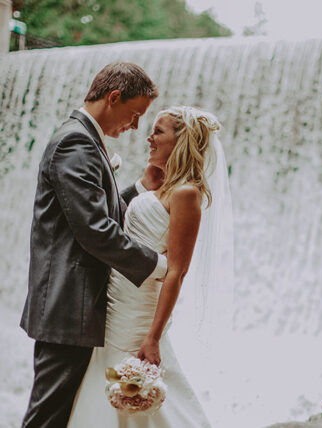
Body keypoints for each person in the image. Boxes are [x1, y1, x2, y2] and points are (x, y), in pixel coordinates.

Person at [20, 62, 168, 428]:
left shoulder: (83, 138)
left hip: (74, 304)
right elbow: (95, 230)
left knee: (61, 412)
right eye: (135, 114)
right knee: (48, 416)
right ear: (113, 97)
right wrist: (160, 267)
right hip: (68, 304)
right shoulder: (76, 142)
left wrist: (140, 188)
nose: (136, 126)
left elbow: (95, 211)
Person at [67, 106, 234, 428]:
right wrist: (146, 182)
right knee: (106, 381)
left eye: (158, 131)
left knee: (133, 386)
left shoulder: (187, 194)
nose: (149, 138)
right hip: (116, 302)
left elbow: (177, 271)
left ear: (181, 140)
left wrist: (154, 337)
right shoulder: (163, 187)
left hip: (139, 311)